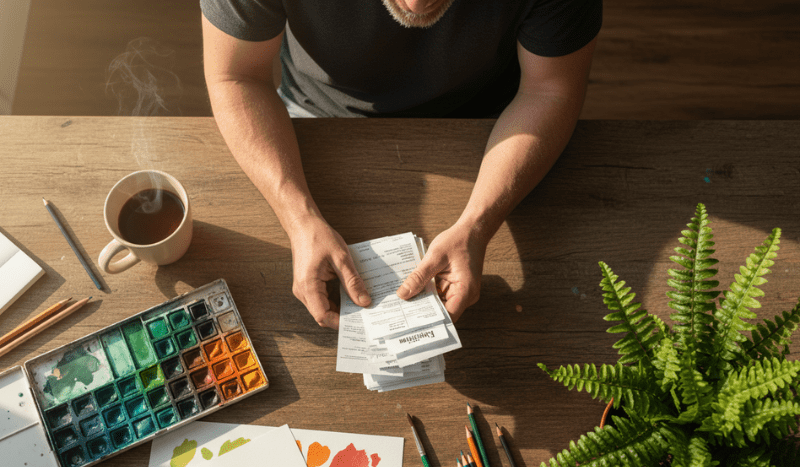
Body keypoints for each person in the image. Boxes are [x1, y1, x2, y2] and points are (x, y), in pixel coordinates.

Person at [200, 0, 602, 328]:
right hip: (313, 118)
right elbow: (236, 77)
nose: (416, 5)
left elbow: (548, 90)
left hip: (494, 126)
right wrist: (298, 219)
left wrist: (477, 225)